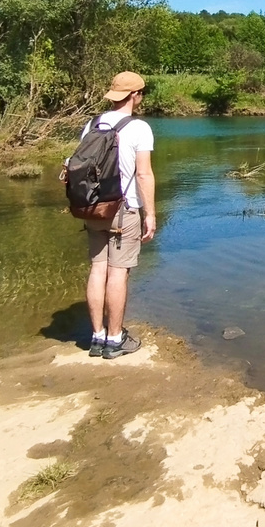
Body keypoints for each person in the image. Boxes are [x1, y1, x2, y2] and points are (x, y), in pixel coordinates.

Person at [82, 71, 157, 359]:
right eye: (141, 94)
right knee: (118, 272)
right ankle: (115, 340)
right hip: (123, 209)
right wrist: (150, 214)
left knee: (97, 268)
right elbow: (143, 173)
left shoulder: (92, 124)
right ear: (135, 96)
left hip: (93, 207)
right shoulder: (139, 128)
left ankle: (96, 337)